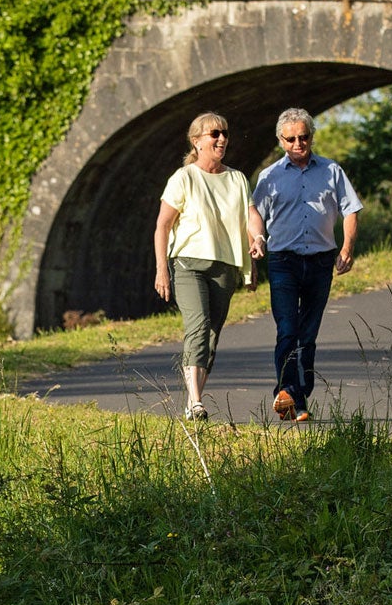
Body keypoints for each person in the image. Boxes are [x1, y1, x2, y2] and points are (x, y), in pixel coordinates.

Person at [248, 108, 361, 422]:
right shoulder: (270, 177)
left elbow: (351, 210)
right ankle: (287, 394)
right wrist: (257, 238)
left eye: (304, 137)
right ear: (281, 141)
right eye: (291, 139)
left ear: (311, 136)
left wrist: (348, 248)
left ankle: (299, 395)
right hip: (283, 261)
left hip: (321, 262)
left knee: (307, 335)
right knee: (287, 331)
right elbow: (253, 211)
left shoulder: (331, 171)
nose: (299, 143)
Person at [153, 112, 252, 420]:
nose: (221, 138)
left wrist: (256, 245)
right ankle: (196, 402)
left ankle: (191, 403)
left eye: (224, 132)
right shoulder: (183, 178)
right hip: (188, 264)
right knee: (197, 327)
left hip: (225, 265)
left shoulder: (236, 178)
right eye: (214, 134)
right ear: (196, 141)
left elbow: (249, 217)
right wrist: (161, 269)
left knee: (211, 336)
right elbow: (162, 227)